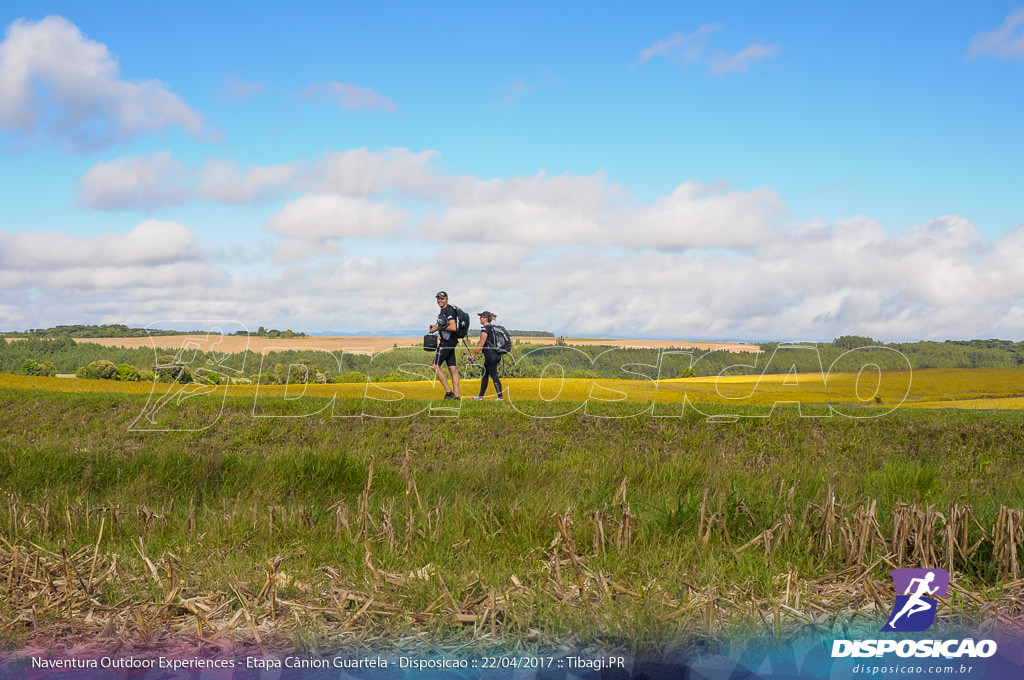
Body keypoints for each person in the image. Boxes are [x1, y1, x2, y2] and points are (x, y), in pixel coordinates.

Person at [428, 291, 460, 400]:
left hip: (447, 342)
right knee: (452, 368)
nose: (440, 300)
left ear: (447, 299)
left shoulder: (448, 310)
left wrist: (438, 328)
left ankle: (449, 393)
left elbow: (453, 327)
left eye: (442, 298)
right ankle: (456, 397)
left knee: (435, 366)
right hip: (451, 342)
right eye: (438, 298)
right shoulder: (444, 310)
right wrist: (436, 327)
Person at [469, 311, 503, 401]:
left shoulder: (485, 329)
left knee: (494, 376)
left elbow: (481, 343)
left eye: (482, 317)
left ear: (486, 318)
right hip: (495, 355)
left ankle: (500, 397)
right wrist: (498, 359)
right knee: (485, 375)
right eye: (480, 317)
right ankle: (481, 396)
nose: (480, 318)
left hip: (490, 356)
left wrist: (473, 355)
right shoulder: (493, 329)